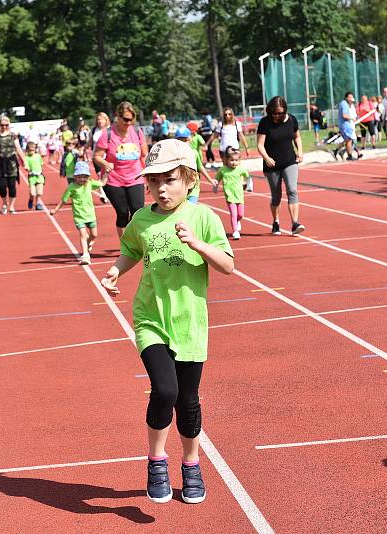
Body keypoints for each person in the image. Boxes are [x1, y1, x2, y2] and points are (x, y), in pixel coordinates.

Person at [99, 138, 234, 505]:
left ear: (189, 179)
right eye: (154, 181)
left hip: (190, 323)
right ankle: (157, 461)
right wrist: (113, 272)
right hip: (151, 319)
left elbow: (227, 265)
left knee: (188, 400)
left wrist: (199, 245)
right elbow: (130, 249)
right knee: (166, 391)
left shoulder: (204, 218)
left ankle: (191, 464)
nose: (160, 188)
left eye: (169, 179)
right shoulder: (142, 219)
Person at [93, 101, 147, 237]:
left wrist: (150, 177)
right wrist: (105, 164)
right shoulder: (108, 134)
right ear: (118, 116)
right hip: (114, 180)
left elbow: (144, 156)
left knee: (138, 211)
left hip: (135, 178)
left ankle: (135, 239)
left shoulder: (137, 132)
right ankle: (125, 244)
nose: (129, 122)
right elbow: (97, 156)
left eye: (132, 119)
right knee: (123, 212)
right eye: (126, 119)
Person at [256, 96, 304, 236]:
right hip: (272, 164)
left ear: (284, 111)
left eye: (279, 113)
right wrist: (266, 158)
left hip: (289, 161)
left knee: (292, 190)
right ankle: (276, 221)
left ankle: (295, 223)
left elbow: (297, 137)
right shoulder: (265, 122)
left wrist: (300, 152)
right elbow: (259, 144)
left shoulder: (292, 120)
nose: (276, 115)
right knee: (276, 196)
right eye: (274, 112)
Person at [51, 161, 107, 265]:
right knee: (82, 234)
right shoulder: (72, 187)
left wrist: (107, 173)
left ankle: (89, 243)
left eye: (85, 177)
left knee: (94, 235)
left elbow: (102, 183)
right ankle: (85, 255)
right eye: (80, 177)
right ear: (75, 176)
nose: (82, 179)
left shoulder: (90, 183)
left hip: (90, 215)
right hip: (79, 216)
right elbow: (63, 200)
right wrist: (55, 210)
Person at [0, 114, 25, 214]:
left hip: (11, 164)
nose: (4, 127)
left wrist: (24, 162)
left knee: (12, 186)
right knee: (2, 186)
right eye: (2, 125)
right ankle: (4, 203)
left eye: (6, 125)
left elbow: (19, 149)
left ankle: (12, 206)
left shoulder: (13, 135)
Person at [173, 126, 215, 204]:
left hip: (193, 188)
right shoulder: (174, 154)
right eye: (180, 141)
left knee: (190, 208)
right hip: (179, 188)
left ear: (190, 139)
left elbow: (200, 167)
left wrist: (210, 180)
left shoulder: (194, 153)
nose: (183, 143)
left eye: (185, 140)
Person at [215, 148, 248, 240]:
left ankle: (237, 221)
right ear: (227, 160)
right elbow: (217, 179)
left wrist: (249, 185)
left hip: (239, 195)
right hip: (229, 195)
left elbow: (248, 176)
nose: (234, 162)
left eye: (236, 160)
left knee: (240, 214)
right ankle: (235, 231)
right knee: (233, 213)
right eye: (232, 160)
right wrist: (215, 187)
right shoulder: (223, 170)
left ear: (239, 161)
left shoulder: (240, 170)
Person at [24, 141, 45, 210]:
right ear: (27, 150)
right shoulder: (26, 157)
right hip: (32, 177)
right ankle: (31, 199)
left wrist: (40, 170)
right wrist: (28, 169)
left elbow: (41, 163)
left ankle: (38, 203)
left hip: (39, 176)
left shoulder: (38, 156)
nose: (32, 152)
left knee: (39, 192)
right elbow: (26, 166)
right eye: (30, 150)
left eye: (33, 150)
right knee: (32, 193)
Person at [337, 92, 358, 160]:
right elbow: (344, 115)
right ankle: (349, 155)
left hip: (345, 124)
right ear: (346, 97)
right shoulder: (344, 104)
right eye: (349, 97)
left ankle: (339, 151)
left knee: (348, 140)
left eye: (351, 97)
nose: (350, 99)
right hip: (345, 125)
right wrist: (352, 118)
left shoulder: (344, 104)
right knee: (349, 140)